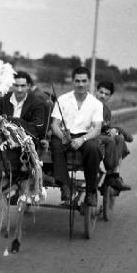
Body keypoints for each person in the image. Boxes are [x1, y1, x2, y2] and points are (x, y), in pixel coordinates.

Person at [50, 66, 103, 207]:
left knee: (93, 148)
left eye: (84, 81)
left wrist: (82, 139)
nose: (80, 84)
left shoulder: (96, 104)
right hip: (65, 134)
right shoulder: (62, 99)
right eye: (77, 81)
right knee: (55, 144)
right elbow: (54, 124)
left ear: (89, 82)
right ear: (72, 82)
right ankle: (65, 186)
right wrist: (63, 136)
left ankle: (91, 192)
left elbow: (97, 128)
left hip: (85, 136)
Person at [96, 81, 132, 194]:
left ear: (110, 97)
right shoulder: (89, 105)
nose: (103, 96)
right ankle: (112, 175)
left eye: (106, 94)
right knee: (116, 137)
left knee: (119, 138)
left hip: (102, 135)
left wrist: (114, 130)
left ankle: (114, 176)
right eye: (101, 92)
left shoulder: (106, 110)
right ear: (96, 92)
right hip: (91, 136)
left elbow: (105, 126)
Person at [0, 71, 47, 140]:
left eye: (23, 86)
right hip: (3, 137)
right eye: (16, 85)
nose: (19, 90)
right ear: (12, 85)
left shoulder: (37, 103)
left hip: (26, 140)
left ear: (28, 86)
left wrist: (17, 123)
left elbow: (37, 128)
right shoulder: (3, 99)